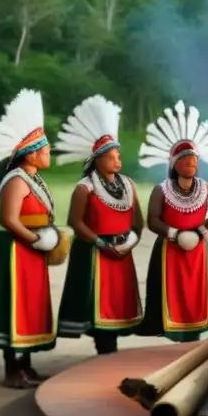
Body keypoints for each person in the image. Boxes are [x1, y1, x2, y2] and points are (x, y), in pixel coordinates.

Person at [0, 89, 68, 388]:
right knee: (13, 307)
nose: (49, 154)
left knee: (29, 307)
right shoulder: (15, 180)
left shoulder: (32, 179)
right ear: (31, 153)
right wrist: (33, 238)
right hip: (15, 252)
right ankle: (12, 370)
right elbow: (8, 219)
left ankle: (26, 366)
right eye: (46, 149)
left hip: (30, 250)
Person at [56, 95, 144, 355]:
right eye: (111, 157)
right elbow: (75, 221)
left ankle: (110, 347)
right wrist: (101, 243)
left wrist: (128, 242)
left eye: (118, 156)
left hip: (122, 250)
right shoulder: (84, 187)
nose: (117, 161)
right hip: (94, 252)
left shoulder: (128, 184)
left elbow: (138, 221)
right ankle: (105, 350)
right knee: (96, 303)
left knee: (117, 302)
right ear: (97, 160)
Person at [137, 100, 208, 341]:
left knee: (196, 294)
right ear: (175, 164)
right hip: (170, 250)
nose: (191, 164)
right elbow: (153, 221)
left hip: (199, 251)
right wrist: (176, 234)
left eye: (194, 161)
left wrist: (199, 234)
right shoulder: (161, 190)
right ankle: (173, 335)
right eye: (186, 161)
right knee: (172, 294)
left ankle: (194, 333)